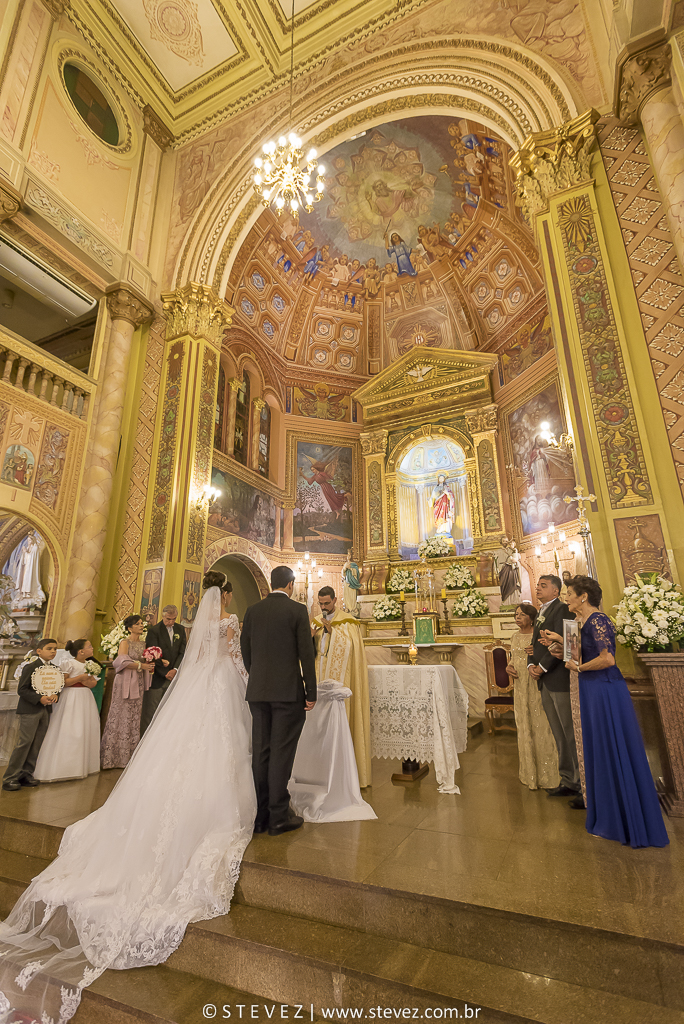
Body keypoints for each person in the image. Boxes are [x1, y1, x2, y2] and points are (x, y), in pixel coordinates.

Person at [0, 570, 256, 1021]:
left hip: (196, 689)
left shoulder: (198, 626)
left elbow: (195, 662)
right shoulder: (230, 624)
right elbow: (235, 662)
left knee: (183, 749)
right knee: (226, 744)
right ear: (228, 595)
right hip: (222, 689)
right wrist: (248, 686)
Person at [542, 576, 669, 847]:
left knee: (612, 747)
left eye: (570, 593)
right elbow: (573, 657)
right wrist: (558, 647)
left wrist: (579, 668)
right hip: (590, 689)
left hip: (605, 690)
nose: (566, 598)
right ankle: (609, 814)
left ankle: (625, 818)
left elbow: (607, 659)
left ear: (583, 597)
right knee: (598, 749)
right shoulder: (577, 623)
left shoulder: (599, 620)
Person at [241, 565, 317, 836]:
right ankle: (278, 817)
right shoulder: (297, 611)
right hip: (287, 693)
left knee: (261, 753)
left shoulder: (253, 611)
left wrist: (258, 677)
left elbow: (245, 650)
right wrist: (311, 691)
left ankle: (260, 817)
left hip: (258, 692)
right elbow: (305, 654)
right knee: (281, 754)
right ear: (290, 584)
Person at [312, 585, 371, 788]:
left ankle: (344, 773)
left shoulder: (347, 621)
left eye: (327, 603)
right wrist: (311, 636)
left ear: (335, 600)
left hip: (339, 685)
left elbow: (351, 647)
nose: (323, 607)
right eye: (320, 604)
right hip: (319, 681)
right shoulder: (316, 621)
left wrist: (333, 632)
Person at [527, 574, 581, 799]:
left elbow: (566, 643)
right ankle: (567, 779)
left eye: (543, 586)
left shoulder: (562, 609)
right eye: (537, 585)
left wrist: (541, 667)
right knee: (558, 733)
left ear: (556, 591)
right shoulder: (541, 611)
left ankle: (580, 782)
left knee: (570, 732)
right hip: (545, 680)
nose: (538, 589)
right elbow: (533, 644)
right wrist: (530, 663)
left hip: (559, 678)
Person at [505, 603, 559, 791]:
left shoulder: (539, 634)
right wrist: (508, 667)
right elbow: (513, 659)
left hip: (535, 681)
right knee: (524, 724)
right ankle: (529, 773)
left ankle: (548, 774)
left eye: (521, 614)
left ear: (531, 617)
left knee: (541, 723)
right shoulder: (514, 636)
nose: (517, 617)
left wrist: (535, 653)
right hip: (520, 685)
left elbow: (548, 654)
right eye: (516, 614)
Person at [34, 639, 100, 782]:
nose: (92, 648)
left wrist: (87, 681)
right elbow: (62, 682)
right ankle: (64, 767)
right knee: (70, 728)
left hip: (85, 697)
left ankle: (84, 765)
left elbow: (93, 682)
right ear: (81, 651)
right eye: (90, 646)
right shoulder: (69, 663)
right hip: (71, 697)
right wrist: (80, 678)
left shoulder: (90, 665)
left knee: (85, 728)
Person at [2, 638, 59, 791]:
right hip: (30, 710)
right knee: (24, 743)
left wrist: (55, 694)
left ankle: (26, 774)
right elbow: (22, 690)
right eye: (49, 648)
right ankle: (10, 777)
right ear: (39, 651)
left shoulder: (55, 669)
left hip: (45, 710)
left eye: (55, 649)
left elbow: (57, 686)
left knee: (36, 744)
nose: (53, 651)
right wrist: (39, 698)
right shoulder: (30, 667)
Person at [100, 614, 153, 769]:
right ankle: (114, 756)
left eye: (142, 623)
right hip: (125, 680)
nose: (141, 626)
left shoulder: (144, 643)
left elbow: (146, 660)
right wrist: (140, 666)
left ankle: (130, 755)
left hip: (139, 681)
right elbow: (122, 661)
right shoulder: (125, 642)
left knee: (134, 715)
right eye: (138, 624)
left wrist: (154, 661)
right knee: (121, 714)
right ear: (130, 628)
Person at [140, 604, 187, 735]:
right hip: (157, 678)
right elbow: (150, 654)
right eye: (168, 619)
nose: (171, 622)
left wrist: (176, 669)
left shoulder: (180, 629)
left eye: (173, 619)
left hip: (174, 677)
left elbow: (183, 652)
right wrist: (165, 673)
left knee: (170, 712)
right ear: (163, 616)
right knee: (151, 712)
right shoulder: (154, 631)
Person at [341, 549, 361, 616]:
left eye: (350, 555)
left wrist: (351, 569)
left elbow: (357, 573)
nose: (348, 557)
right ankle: (347, 607)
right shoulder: (346, 564)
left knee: (352, 595)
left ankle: (353, 608)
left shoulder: (354, 564)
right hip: (347, 582)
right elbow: (343, 574)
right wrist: (345, 568)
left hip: (352, 582)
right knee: (346, 595)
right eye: (347, 555)